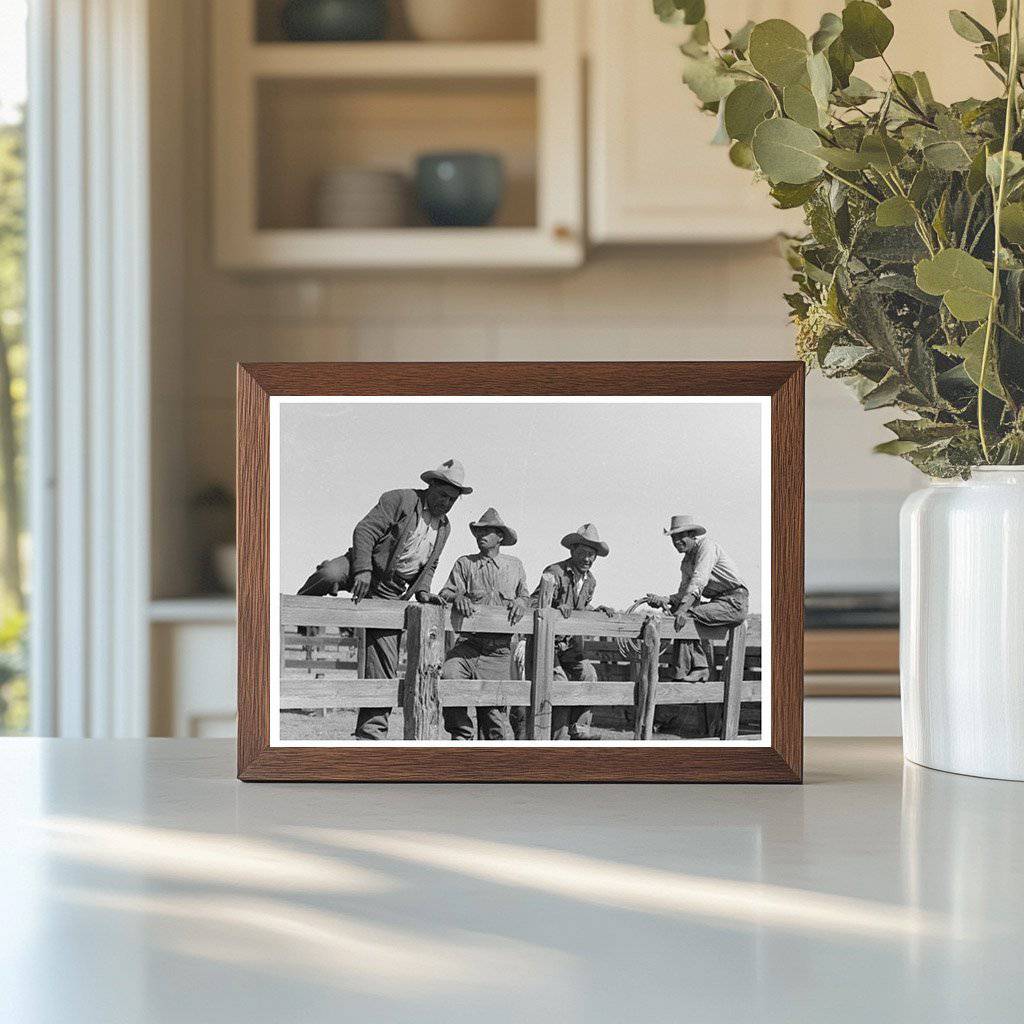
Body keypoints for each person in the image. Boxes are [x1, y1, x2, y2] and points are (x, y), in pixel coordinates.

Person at [297, 458, 471, 740]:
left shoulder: (445, 527)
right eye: (442, 495)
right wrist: (363, 569)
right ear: (430, 486)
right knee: (329, 574)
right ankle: (295, 614)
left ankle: (370, 734)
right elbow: (364, 530)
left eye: (452, 500)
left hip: (391, 591)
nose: (446, 503)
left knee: (383, 666)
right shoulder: (400, 499)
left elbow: (431, 563)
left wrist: (423, 589)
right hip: (361, 566)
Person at [431, 508, 530, 741]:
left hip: (499, 651)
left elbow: (526, 596)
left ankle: (490, 757)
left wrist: (521, 602)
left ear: (501, 537)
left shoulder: (514, 566)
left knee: (493, 714)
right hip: (468, 645)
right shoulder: (465, 564)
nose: (481, 535)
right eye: (479, 531)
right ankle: (461, 735)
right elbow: (445, 591)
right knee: (450, 675)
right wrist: (457, 598)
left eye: (488, 531)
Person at [640, 514, 749, 683]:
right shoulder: (686, 563)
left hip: (735, 603)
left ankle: (694, 669)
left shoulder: (707, 547)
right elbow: (685, 593)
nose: (676, 542)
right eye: (673, 538)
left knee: (686, 615)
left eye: (680, 537)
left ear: (692, 535)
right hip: (718, 602)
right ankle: (685, 669)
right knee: (681, 614)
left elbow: (699, 581)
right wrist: (664, 599)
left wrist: (683, 610)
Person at [533, 524, 616, 741]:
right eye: (582, 553)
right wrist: (555, 608)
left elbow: (580, 609)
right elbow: (534, 603)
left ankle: (580, 730)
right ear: (572, 552)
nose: (587, 559)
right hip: (546, 643)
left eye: (591, 555)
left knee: (589, 674)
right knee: (559, 683)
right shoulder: (554, 572)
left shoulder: (590, 581)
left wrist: (596, 610)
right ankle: (557, 738)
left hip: (569, 646)